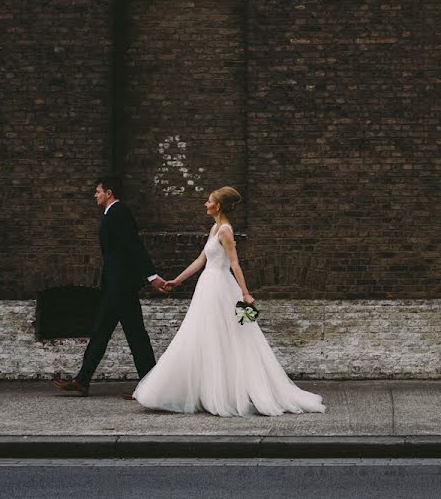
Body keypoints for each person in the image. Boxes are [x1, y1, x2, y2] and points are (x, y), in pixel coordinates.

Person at [132, 186, 325, 417]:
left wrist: (245, 294)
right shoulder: (214, 228)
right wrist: (177, 281)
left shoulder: (225, 231)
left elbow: (234, 264)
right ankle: (206, 392)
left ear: (218, 206)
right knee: (204, 336)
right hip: (208, 286)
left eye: (209, 201)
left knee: (227, 339)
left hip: (221, 288)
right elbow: (201, 260)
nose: (205, 204)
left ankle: (223, 394)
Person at [53, 175, 167, 398]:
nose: (95, 195)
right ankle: (82, 380)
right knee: (101, 332)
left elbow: (133, 246)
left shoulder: (119, 213)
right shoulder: (111, 214)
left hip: (122, 287)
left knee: (135, 335)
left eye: (97, 191)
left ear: (109, 192)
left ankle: (153, 387)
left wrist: (151, 275)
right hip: (115, 286)